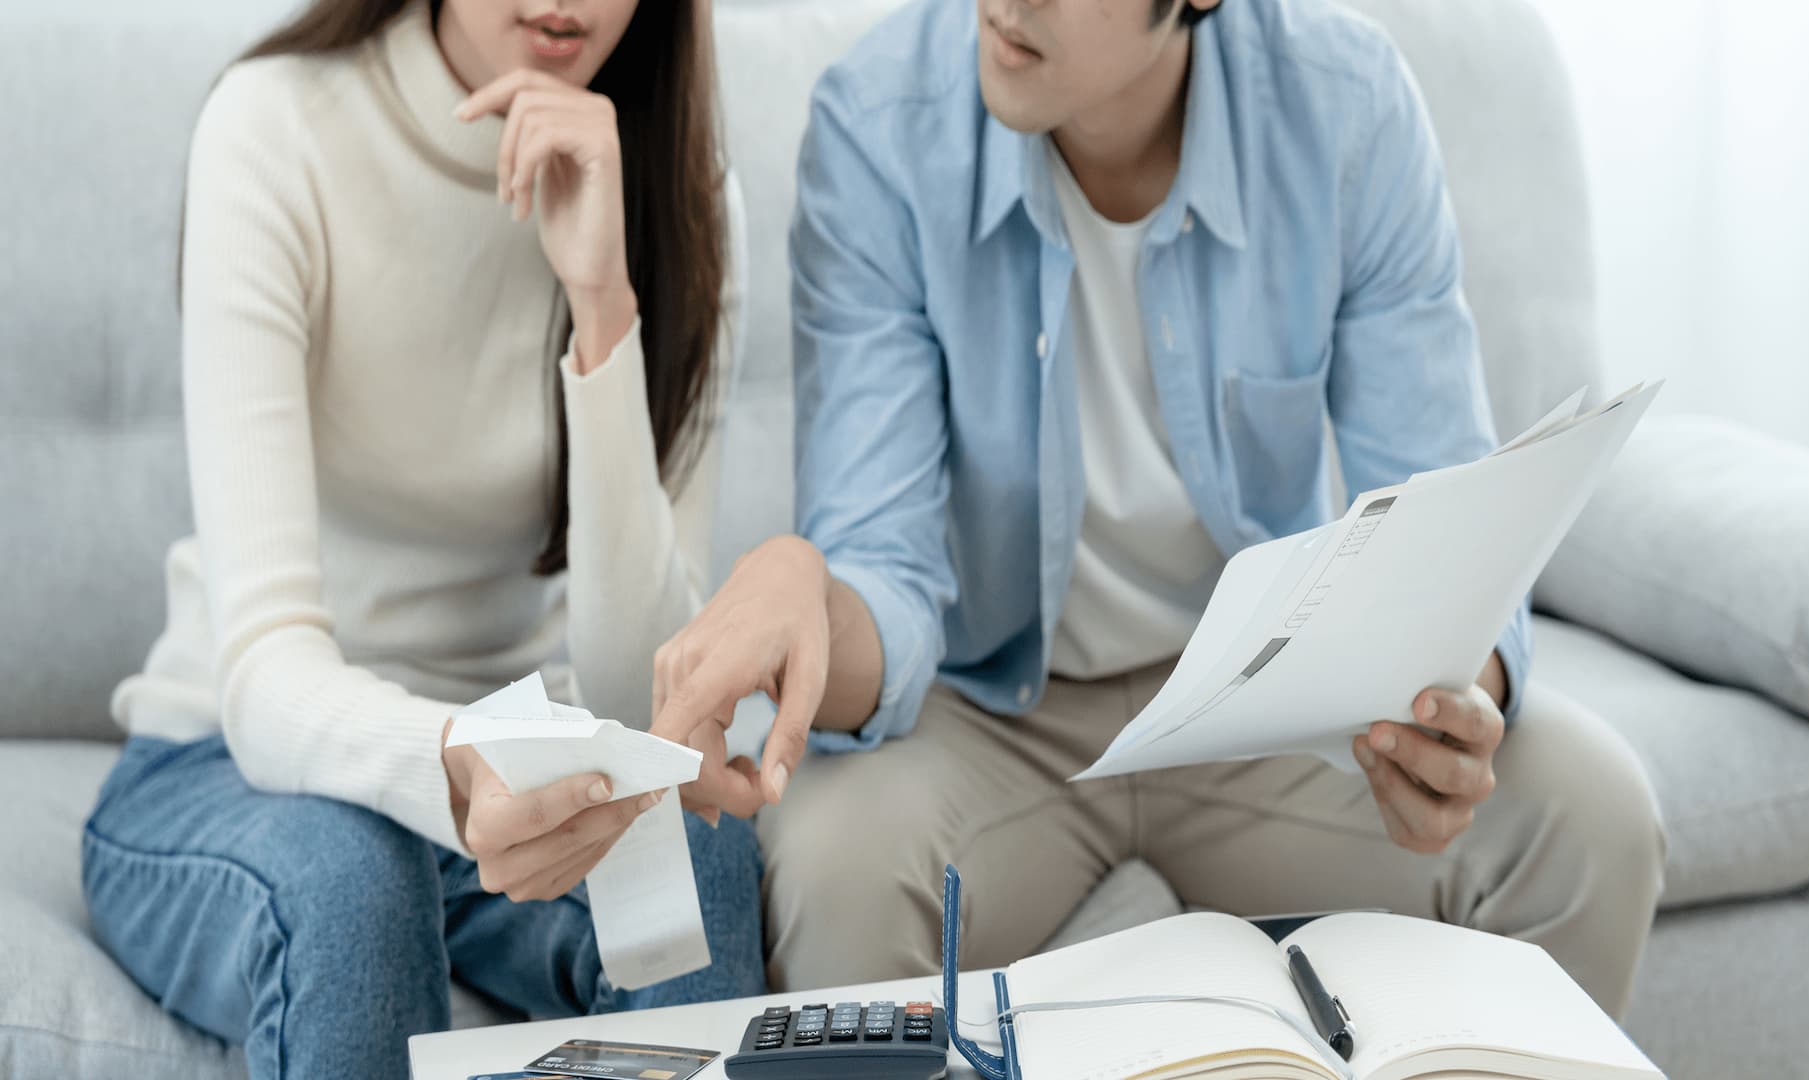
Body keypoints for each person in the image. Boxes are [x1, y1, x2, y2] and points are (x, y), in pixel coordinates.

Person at [652, 0, 1668, 1017]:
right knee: (837, 871)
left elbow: (1444, 515)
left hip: (1271, 702)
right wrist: (799, 588)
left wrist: (1446, 713)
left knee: (1593, 820)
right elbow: (884, 569)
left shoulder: (1345, 107)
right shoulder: (879, 125)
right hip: (986, 715)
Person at [80, 0, 764, 1074]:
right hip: (232, 760)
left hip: (521, 760)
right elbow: (261, 670)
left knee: (700, 859)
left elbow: (642, 696)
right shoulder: (274, 127)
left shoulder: (684, 194)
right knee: (357, 883)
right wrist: (452, 759)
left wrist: (602, 303)